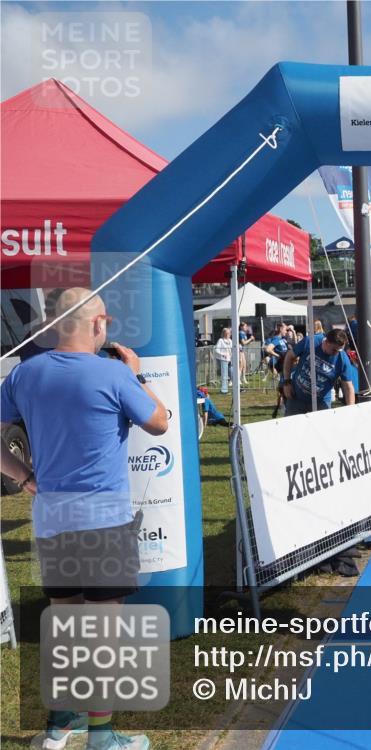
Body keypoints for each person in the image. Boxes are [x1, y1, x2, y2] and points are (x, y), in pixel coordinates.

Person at [0, 288, 167, 750]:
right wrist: (137, 375)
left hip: (52, 518)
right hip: (103, 521)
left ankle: (58, 727)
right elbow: (159, 422)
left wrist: (23, 475)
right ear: (99, 323)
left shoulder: (23, 374)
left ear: (55, 324)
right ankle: (101, 734)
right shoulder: (114, 373)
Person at [281, 328, 355, 415]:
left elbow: (348, 387)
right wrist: (286, 382)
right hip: (297, 397)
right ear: (326, 342)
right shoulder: (310, 342)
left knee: (321, 428)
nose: (336, 353)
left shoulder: (343, 359)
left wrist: (351, 411)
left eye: (340, 350)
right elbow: (289, 356)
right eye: (334, 350)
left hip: (321, 402)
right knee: (293, 426)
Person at [214, 327, 234, 394]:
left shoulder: (230, 341)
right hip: (222, 359)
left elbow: (232, 349)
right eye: (228, 333)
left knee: (232, 373)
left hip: (229, 359)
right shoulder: (220, 340)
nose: (229, 334)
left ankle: (237, 387)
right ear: (224, 333)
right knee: (224, 375)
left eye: (229, 333)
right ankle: (224, 390)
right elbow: (216, 350)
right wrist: (223, 354)